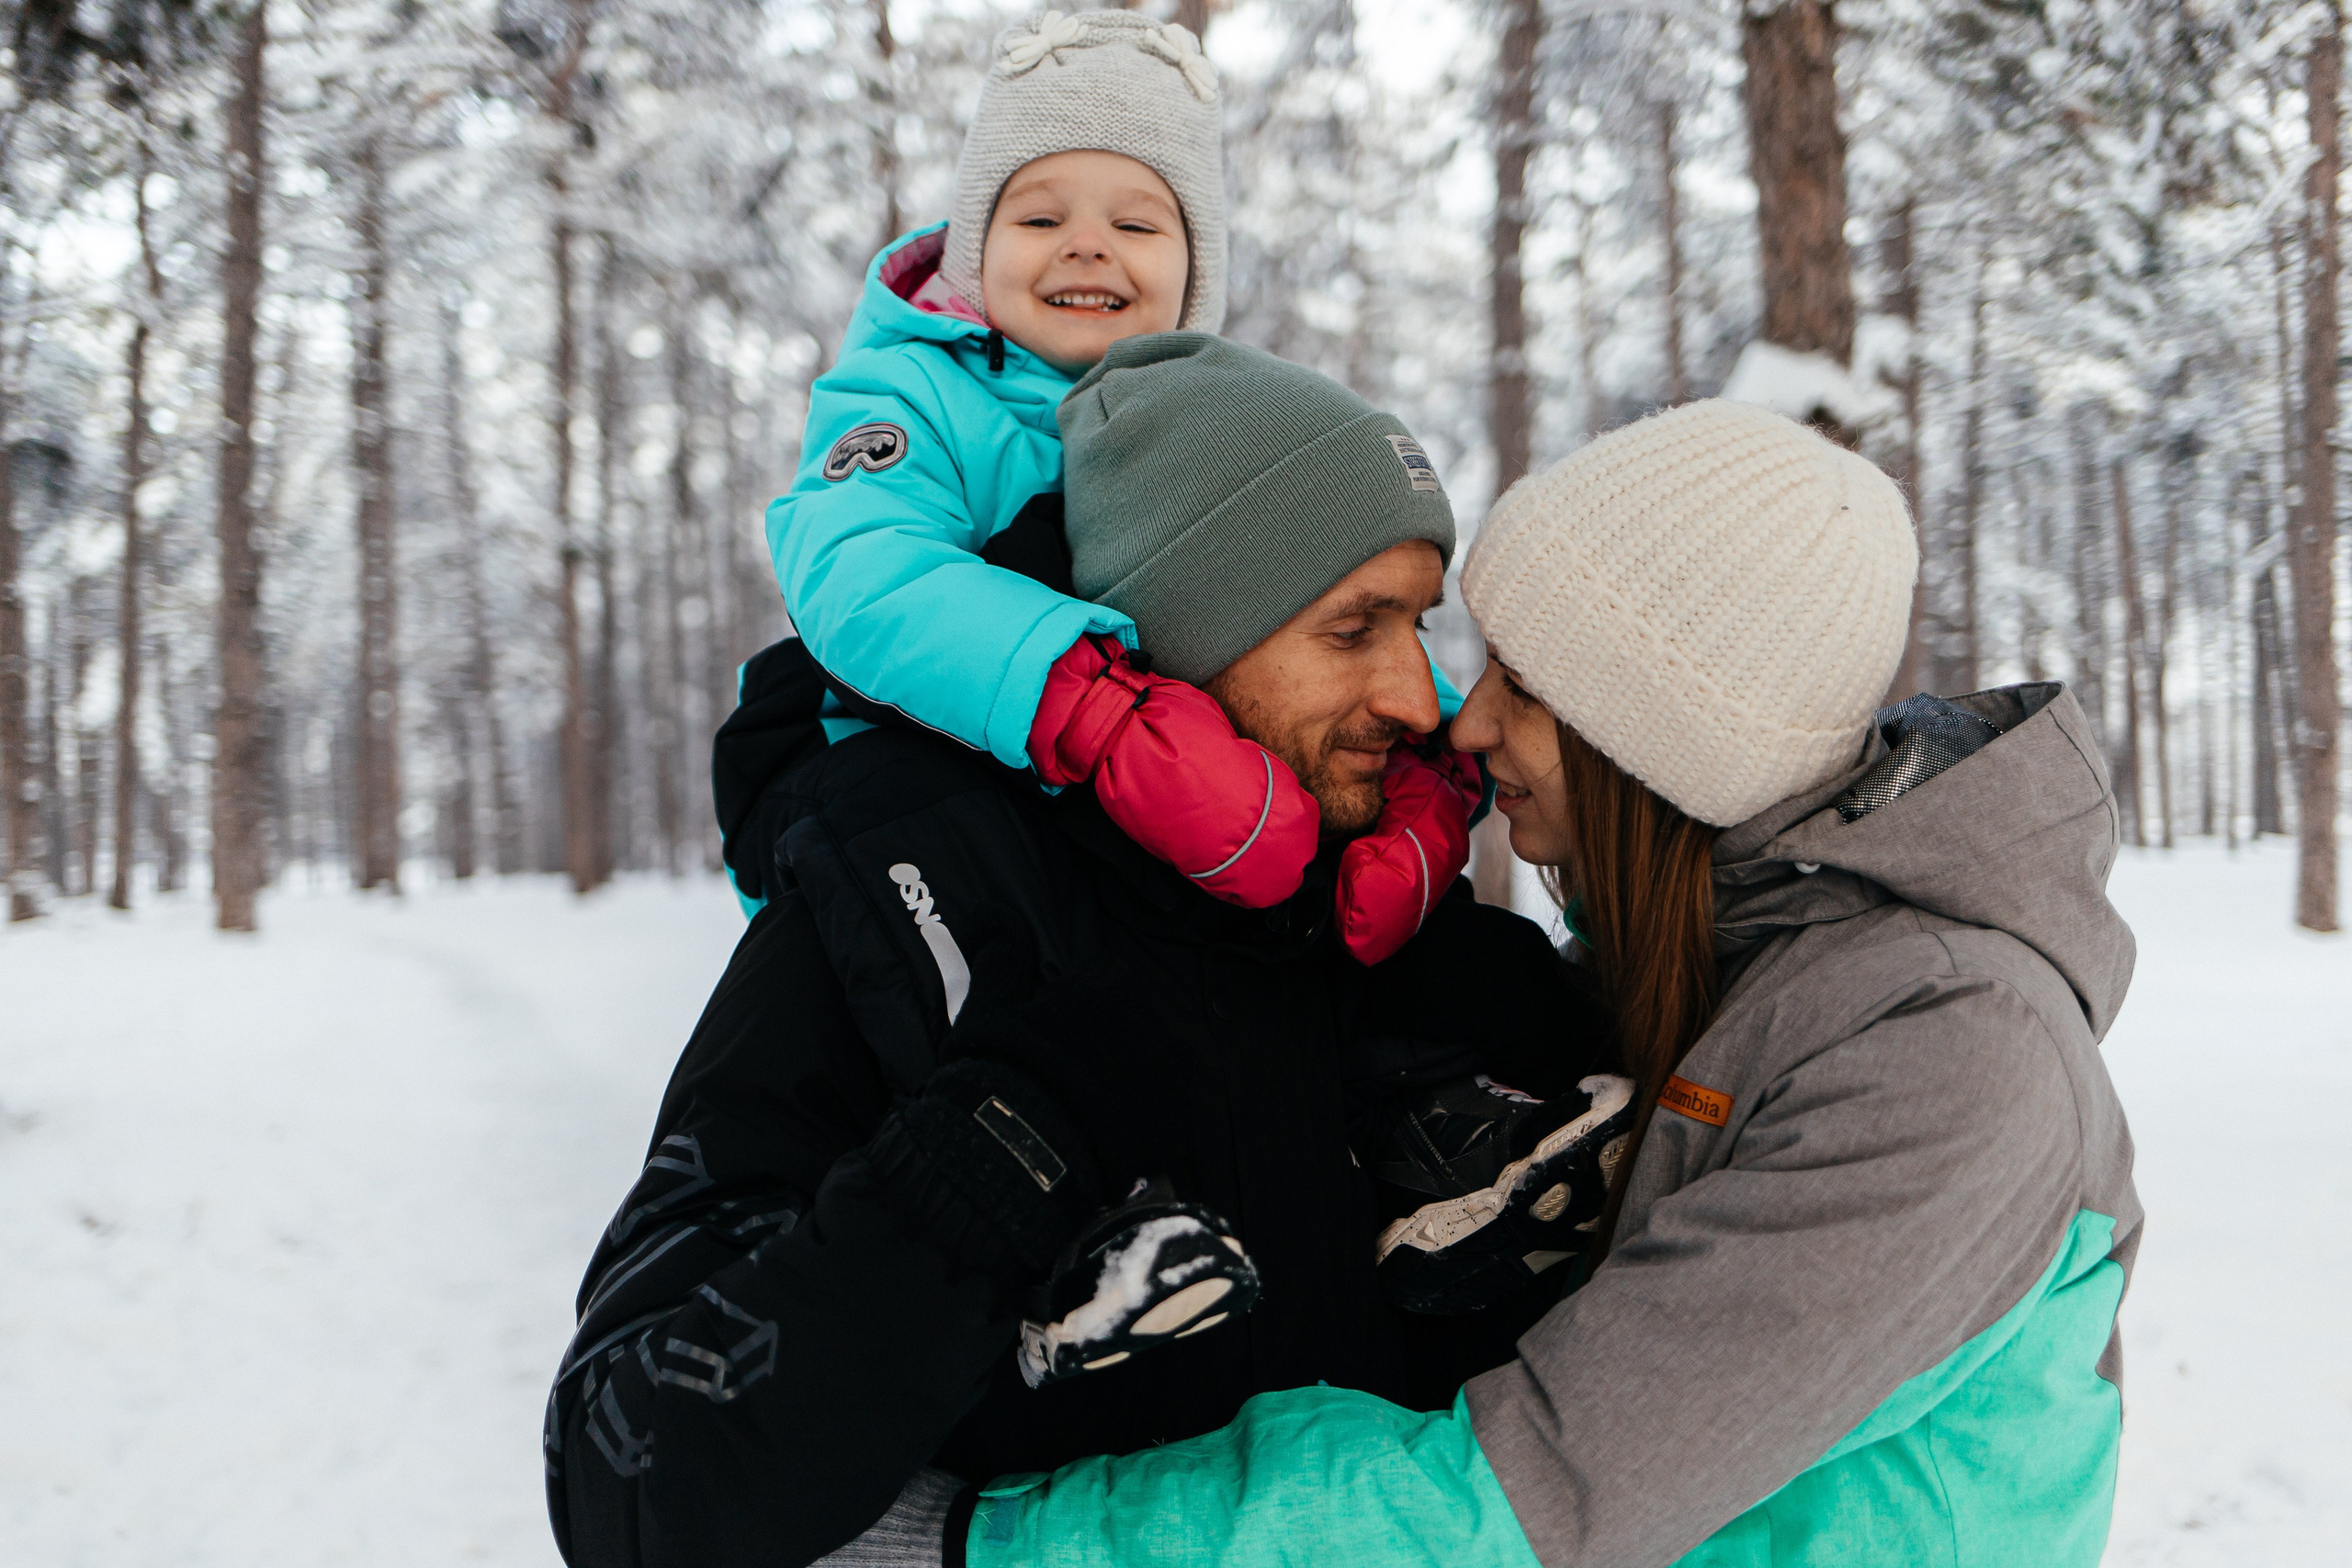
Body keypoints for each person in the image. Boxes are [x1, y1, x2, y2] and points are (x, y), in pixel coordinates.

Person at [953, 399, 2143, 1568]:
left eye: (1521, 681)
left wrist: (986, 1541)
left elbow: (1522, 1498)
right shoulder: (1707, 971)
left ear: (1648, 733)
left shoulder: (1950, 1051)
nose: (1462, 725)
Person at [544, 337, 1610, 1568]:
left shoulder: (1394, 923)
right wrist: (988, 1159)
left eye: (1415, 622)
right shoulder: (905, 894)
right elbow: (624, 1474)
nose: (1417, 697)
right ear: (1185, 626)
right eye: (1351, 628)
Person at [764, 8, 1467, 962]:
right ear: (976, 247)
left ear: (1193, 271)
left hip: (1146, 812)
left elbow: (1328, 603)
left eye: (1135, 221)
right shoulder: (908, 391)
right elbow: (863, 571)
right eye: (1040, 216)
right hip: (916, 804)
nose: (1087, 245)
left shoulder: (1214, 420)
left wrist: (1429, 779)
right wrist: (1098, 710)